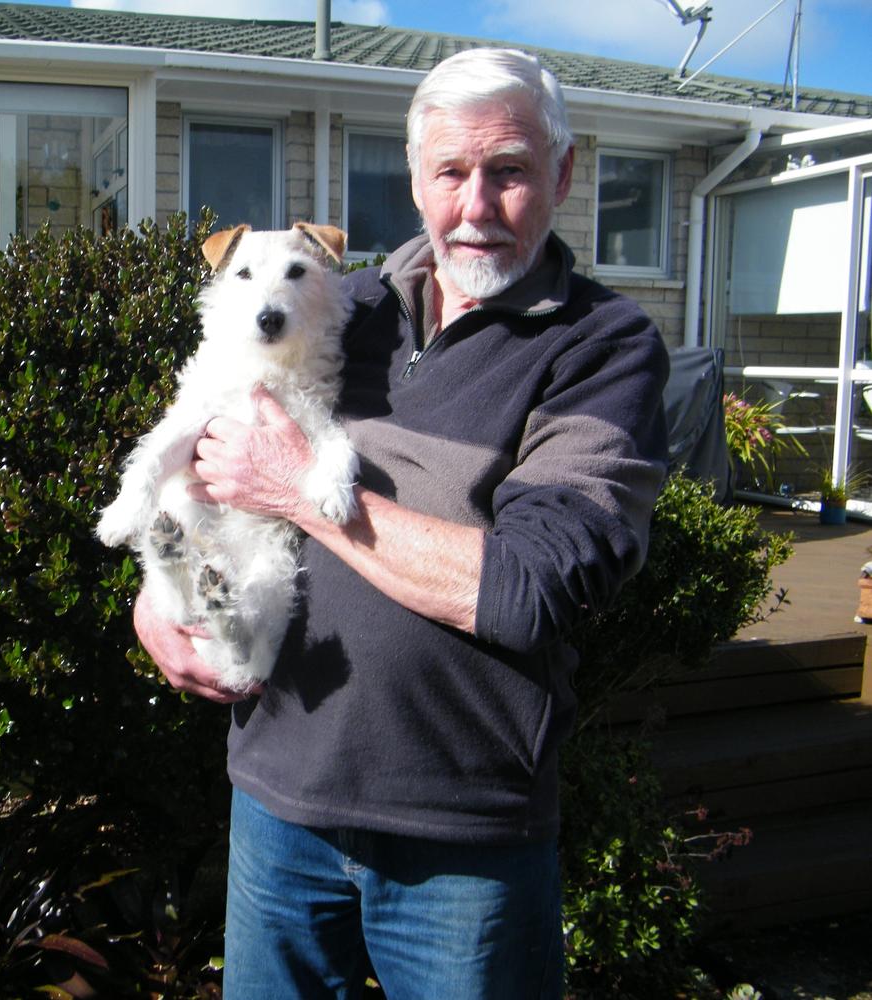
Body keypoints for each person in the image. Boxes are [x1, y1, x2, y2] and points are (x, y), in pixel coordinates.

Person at [134, 47, 669, 1000]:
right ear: (415, 179)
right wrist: (154, 605)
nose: (475, 206)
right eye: (450, 173)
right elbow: (202, 444)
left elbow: (534, 588)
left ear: (562, 172)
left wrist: (302, 490)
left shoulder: (603, 348)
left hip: (460, 834)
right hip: (278, 796)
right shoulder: (346, 305)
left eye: (506, 170)